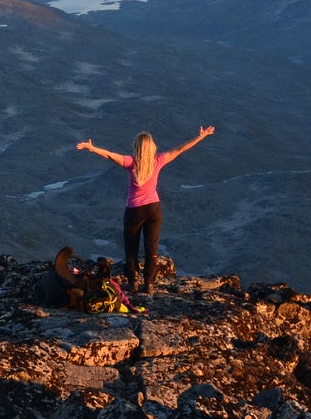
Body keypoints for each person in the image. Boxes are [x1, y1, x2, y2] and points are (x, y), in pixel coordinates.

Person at [75, 126, 215, 294]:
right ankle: (148, 283)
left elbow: (109, 155)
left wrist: (92, 148)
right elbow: (180, 149)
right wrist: (200, 137)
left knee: (131, 247)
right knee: (152, 248)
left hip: (135, 211)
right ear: (152, 147)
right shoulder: (158, 161)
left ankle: (133, 282)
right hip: (154, 210)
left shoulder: (131, 162)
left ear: (137, 147)